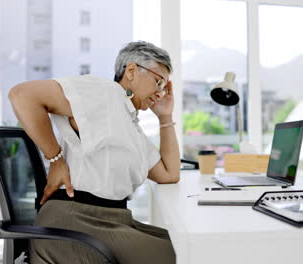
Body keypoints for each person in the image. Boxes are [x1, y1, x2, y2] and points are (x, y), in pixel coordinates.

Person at [9, 41, 179, 264]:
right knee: (184, 253)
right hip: (76, 222)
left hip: (111, 222)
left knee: (184, 243)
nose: (159, 92)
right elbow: (22, 95)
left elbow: (169, 174)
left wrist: (165, 116)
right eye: (158, 82)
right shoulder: (103, 93)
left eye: (164, 86)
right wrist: (56, 159)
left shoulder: (130, 124)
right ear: (131, 70)